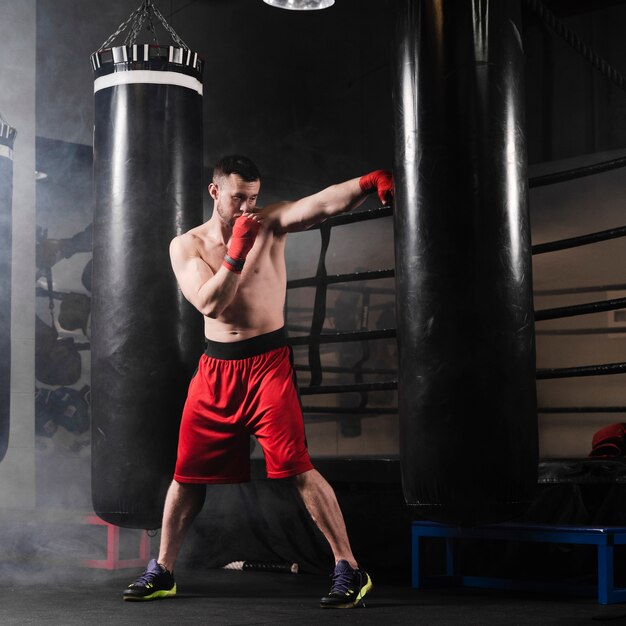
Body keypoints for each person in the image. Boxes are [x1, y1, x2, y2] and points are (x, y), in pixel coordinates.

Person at [122, 155, 394, 608]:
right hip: (215, 372)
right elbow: (211, 306)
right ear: (214, 193)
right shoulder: (185, 246)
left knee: (297, 467)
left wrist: (367, 182)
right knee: (186, 476)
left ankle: (349, 567)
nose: (247, 207)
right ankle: (163, 570)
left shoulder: (267, 223)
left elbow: (321, 205)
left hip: (268, 365)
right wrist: (235, 254)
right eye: (237, 198)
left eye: (253, 197)